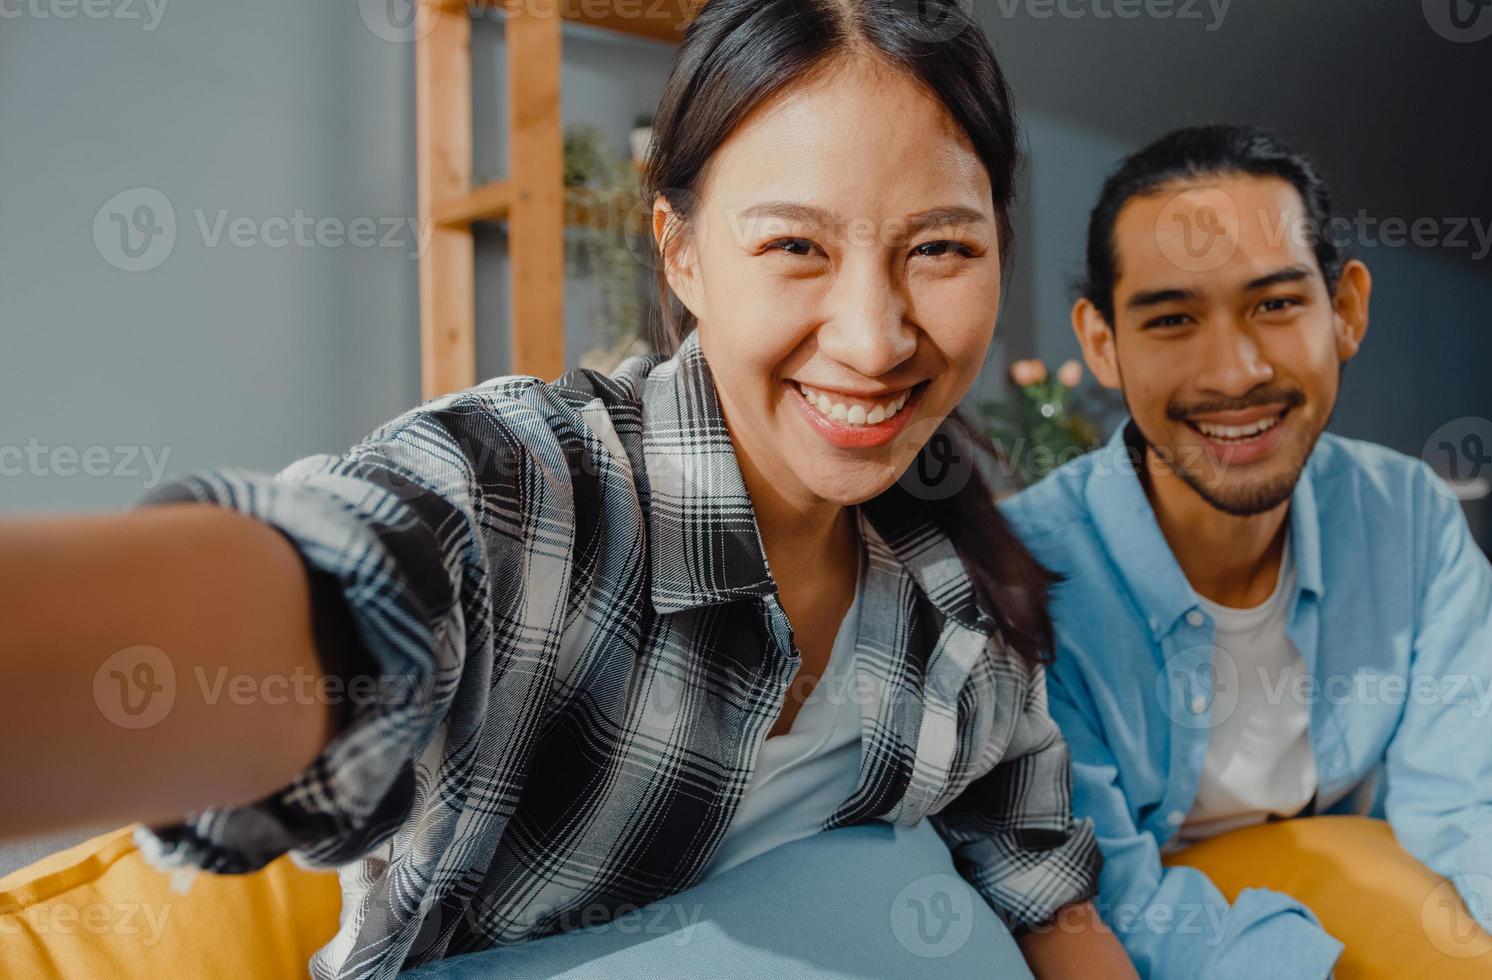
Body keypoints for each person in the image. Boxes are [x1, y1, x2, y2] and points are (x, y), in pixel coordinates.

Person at [0, 3, 1138, 977]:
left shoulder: (957, 602)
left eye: (940, 248)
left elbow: (1043, 882)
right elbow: (347, 575)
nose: (875, 335)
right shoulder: (532, 498)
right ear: (680, 254)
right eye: (795, 246)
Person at [1000, 125, 1492, 979]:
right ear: (1100, 343)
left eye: (1275, 305)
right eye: (1171, 319)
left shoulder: (1405, 514)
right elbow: (1093, 903)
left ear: (1345, 311)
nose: (1233, 373)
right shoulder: (1025, 573)